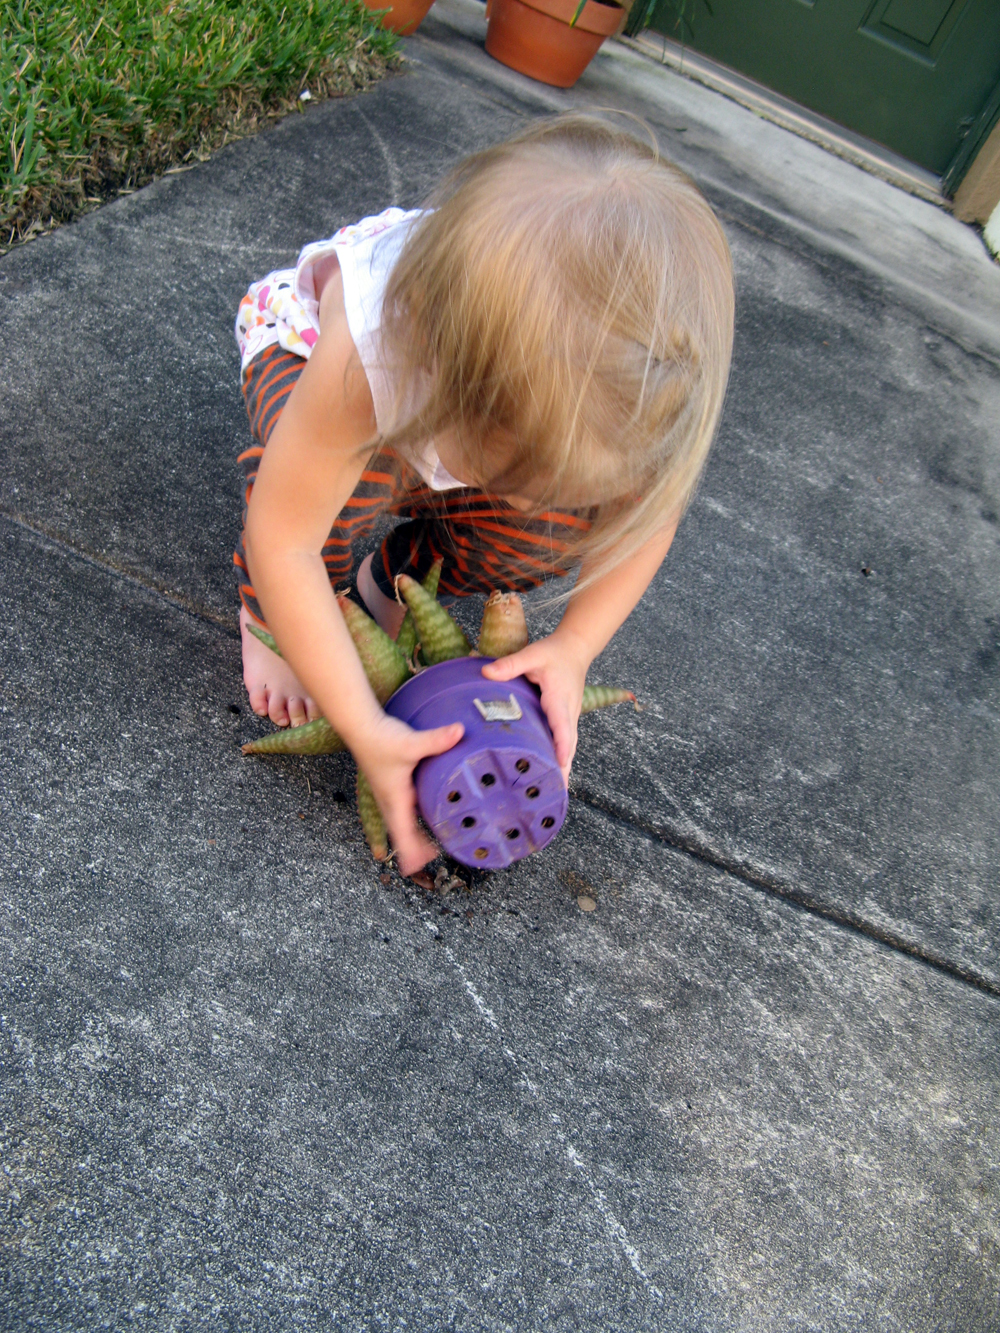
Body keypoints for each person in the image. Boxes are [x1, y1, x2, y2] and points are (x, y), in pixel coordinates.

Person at [233, 115, 734, 874]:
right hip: (300, 349)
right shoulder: (370, 356)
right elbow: (286, 538)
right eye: (519, 480)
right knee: (337, 490)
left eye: (565, 485)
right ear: (462, 393)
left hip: (450, 403)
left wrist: (573, 647)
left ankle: (396, 571)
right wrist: (363, 724)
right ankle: (265, 614)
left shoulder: (639, 395)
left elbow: (649, 516)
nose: (535, 504)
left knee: (542, 539)